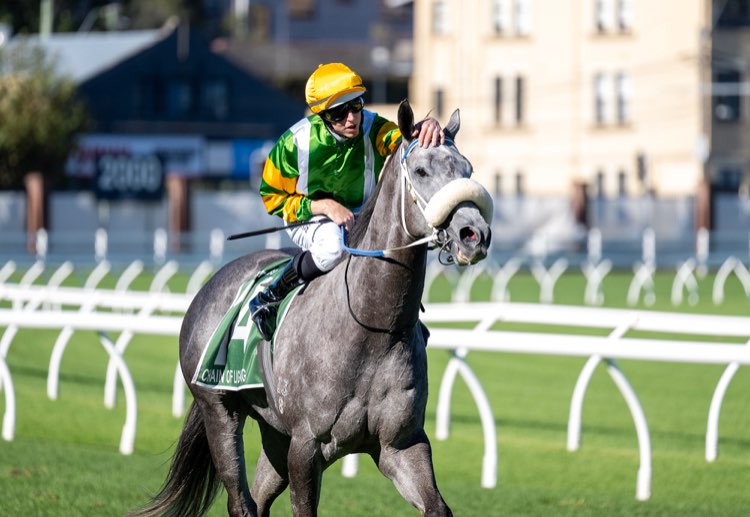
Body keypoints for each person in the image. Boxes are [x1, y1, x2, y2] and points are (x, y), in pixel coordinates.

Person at [249, 62, 444, 340]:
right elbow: (272, 197)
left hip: (360, 214)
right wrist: (324, 206)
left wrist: (427, 126)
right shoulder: (294, 144)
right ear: (322, 114)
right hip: (307, 215)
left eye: (356, 105)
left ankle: (403, 318)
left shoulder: (374, 128)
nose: (351, 118)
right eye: (339, 112)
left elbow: (407, 142)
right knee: (332, 248)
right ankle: (273, 293)